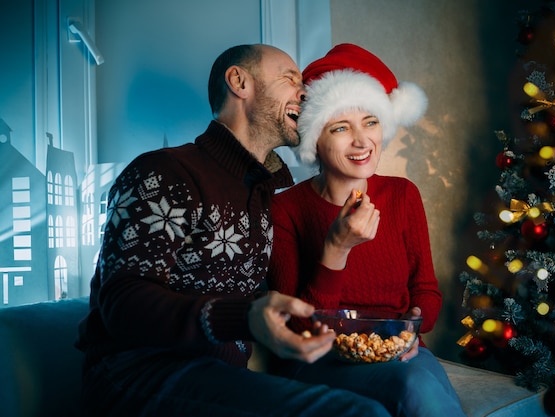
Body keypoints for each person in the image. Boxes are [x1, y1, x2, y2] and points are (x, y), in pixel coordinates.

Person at [76, 44, 394, 417]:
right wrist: (243, 317)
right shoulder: (165, 172)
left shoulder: (262, 190)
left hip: (222, 378)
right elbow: (122, 303)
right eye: (290, 79)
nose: (305, 91)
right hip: (136, 377)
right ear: (239, 81)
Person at [267, 43, 467, 417]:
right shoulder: (285, 209)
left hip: (395, 349)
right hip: (318, 356)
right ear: (315, 141)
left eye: (371, 122)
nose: (362, 141)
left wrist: (411, 329)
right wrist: (336, 249)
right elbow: (295, 327)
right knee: (412, 387)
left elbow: (425, 290)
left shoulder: (402, 194)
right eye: (340, 128)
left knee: (420, 384)